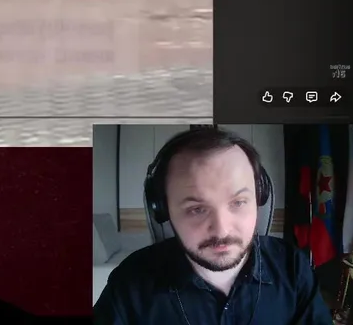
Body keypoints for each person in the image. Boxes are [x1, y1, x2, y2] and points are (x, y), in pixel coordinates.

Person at [94, 128, 330, 324]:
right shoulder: (130, 284)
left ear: (260, 198)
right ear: (163, 210)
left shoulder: (293, 269)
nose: (222, 230)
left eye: (238, 202)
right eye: (197, 209)